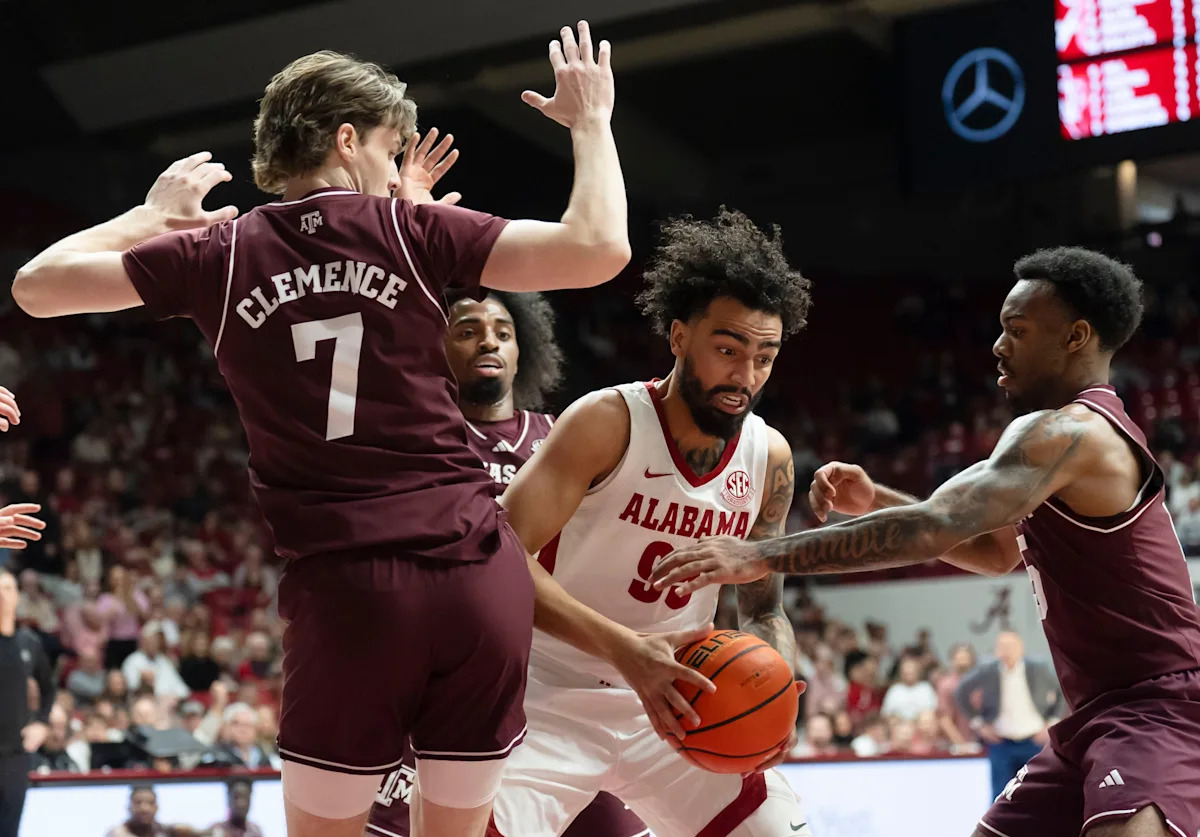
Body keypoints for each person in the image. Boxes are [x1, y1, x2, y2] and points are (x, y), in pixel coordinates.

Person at [13, 21, 629, 837]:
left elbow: (36, 286)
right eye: (388, 148)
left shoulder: (222, 252)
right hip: (478, 583)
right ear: (346, 139)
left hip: (348, 593)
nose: (393, 169)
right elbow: (598, 247)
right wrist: (592, 122)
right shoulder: (412, 231)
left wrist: (149, 217)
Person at [653, 247, 1200, 837]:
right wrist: (878, 500)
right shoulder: (1063, 441)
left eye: (1017, 331)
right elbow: (993, 552)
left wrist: (757, 554)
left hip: (1156, 708)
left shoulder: (1070, 432)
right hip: (1095, 717)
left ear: (1076, 337)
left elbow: (936, 525)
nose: (998, 346)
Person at [489, 208, 815, 836]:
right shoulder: (607, 422)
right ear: (679, 337)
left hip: (683, 700)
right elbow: (497, 555)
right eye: (728, 350)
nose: (745, 376)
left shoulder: (769, 456)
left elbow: (763, 608)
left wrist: (774, 684)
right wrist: (625, 650)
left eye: (765, 357)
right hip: (547, 694)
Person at [369, 291, 646, 837]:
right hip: (441, 683)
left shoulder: (566, 439)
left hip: (557, 686)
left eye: (502, 331)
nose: (488, 341)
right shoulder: (408, 440)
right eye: (467, 330)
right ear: (434, 348)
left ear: (524, 351)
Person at [955, 631, 1062, 800]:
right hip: (1001, 742)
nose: (1007, 651)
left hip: (1033, 740)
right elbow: (961, 692)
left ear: (1021, 647)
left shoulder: (1038, 667)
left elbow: (1061, 688)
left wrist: (1052, 720)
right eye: (1003, 646)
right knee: (1001, 795)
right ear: (996, 649)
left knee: (1038, 793)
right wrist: (978, 724)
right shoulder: (988, 670)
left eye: (1011, 646)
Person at [0, 566, 54, 837]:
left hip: (14, 755)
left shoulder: (28, 642)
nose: (2, 595)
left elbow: (49, 688)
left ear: (17, 596)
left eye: (7, 588)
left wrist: (42, 723)